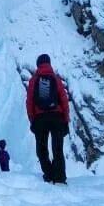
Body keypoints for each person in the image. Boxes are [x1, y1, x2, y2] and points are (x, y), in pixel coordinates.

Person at [26, 54, 70, 184]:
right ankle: (60, 178)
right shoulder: (55, 78)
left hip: (40, 118)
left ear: (38, 64)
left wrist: (32, 120)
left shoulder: (34, 79)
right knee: (58, 148)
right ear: (49, 63)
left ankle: (49, 174)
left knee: (42, 148)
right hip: (57, 117)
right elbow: (64, 100)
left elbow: (29, 102)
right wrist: (66, 120)